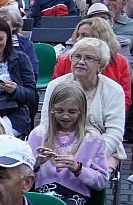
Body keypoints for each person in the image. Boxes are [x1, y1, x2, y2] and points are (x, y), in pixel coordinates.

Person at [27, 83, 109, 205]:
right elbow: (21, 174)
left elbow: (101, 181)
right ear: (51, 110)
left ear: (81, 112)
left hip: (76, 197)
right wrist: (36, 164)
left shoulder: (93, 139)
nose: (65, 116)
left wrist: (78, 168)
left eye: (72, 112)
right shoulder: (39, 134)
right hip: (42, 193)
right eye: (59, 111)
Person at [42, 37, 126, 170]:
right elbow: (46, 125)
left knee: (91, 175)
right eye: (77, 56)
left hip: (102, 150)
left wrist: (90, 156)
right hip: (59, 146)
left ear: (101, 65)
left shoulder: (113, 90)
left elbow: (114, 133)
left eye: (89, 58)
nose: (81, 62)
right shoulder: (55, 85)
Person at [0, 17, 37, 137]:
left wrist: (16, 90)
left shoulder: (20, 59)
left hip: (13, 114)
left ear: (7, 38)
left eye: (0, 39)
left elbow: (32, 95)